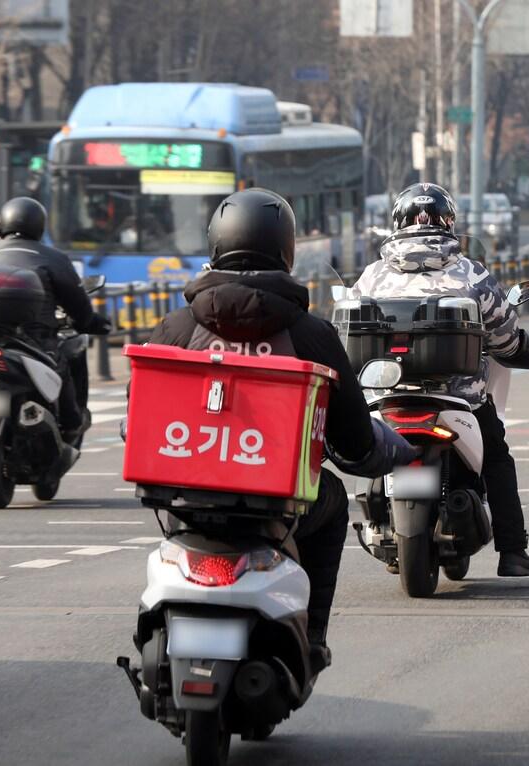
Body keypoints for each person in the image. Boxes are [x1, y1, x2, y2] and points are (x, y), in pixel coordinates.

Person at [147, 187, 416, 668]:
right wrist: (393, 452)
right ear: (286, 249)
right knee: (332, 499)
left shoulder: (175, 328)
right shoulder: (312, 335)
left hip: (189, 504)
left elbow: (141, 421)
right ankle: (311, 637)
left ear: (215, 244)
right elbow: (355, 440)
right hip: (277, 506)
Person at [353, 182, 529, 577]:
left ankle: (380, 526)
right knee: (496, 456)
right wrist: (516, 349)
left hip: (386, 396)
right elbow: (504, 334)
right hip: (460, 399)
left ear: (398, 222)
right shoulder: (470, 272)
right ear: (448, 222)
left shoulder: (372, 276)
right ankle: (513, 552)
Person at [0, 198, 110, 444]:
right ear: (40, 227)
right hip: (36, 341)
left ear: (1, 225)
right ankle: (71, 422)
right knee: (69, 353)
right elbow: (78, 304)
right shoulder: (53, 257)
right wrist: (90, 322)